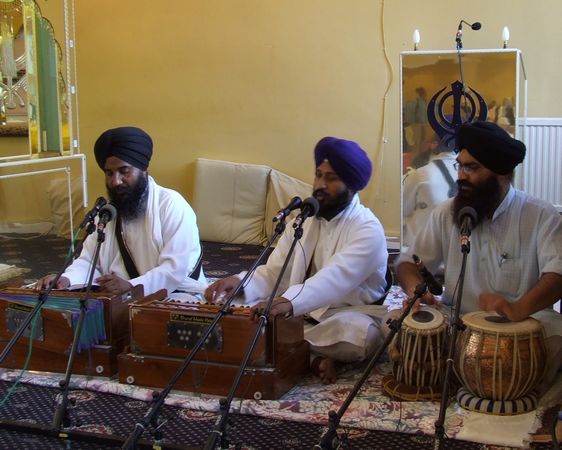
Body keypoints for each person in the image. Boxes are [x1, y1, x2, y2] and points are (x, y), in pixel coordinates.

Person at [205, 137, 390, 384]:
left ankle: (279, 346)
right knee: (235, 307)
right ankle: (307, 355)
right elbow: (276, 272)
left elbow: (333, 279)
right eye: (318, 175)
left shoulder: (367, 229)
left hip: (344, 313)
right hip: (297, 316)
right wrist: (241, 283)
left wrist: (288, 302)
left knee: (362, 336)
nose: (320, 184)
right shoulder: (303, 221)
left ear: (352, 185)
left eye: (331, 178)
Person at [396, 120, 562, 389]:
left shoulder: (541, 216)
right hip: (458, 322)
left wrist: (518, 309)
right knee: (394, 323)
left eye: (472, 168)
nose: (461, 176)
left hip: (521, 326)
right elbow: (407, 262)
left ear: (502, 173)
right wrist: (416, 290)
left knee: (557, 336)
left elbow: (557, 275)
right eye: (460, 166)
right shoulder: (447, 212)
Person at [36, 126, 205, 295]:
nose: (115, 181)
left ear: (143, 170)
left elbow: (175, 268)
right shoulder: (107, 213)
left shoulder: (171, 204)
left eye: (124, 171)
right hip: (118, 297)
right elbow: (90, 261)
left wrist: (132, 286)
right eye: (109, 173)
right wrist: (67, 279)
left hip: (176, 295)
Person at [402, 135, 458, 248]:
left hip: (418, 246)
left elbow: (402, 209)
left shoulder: (421, 174)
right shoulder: (468, 173)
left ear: (433, 145)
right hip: (455, 246)